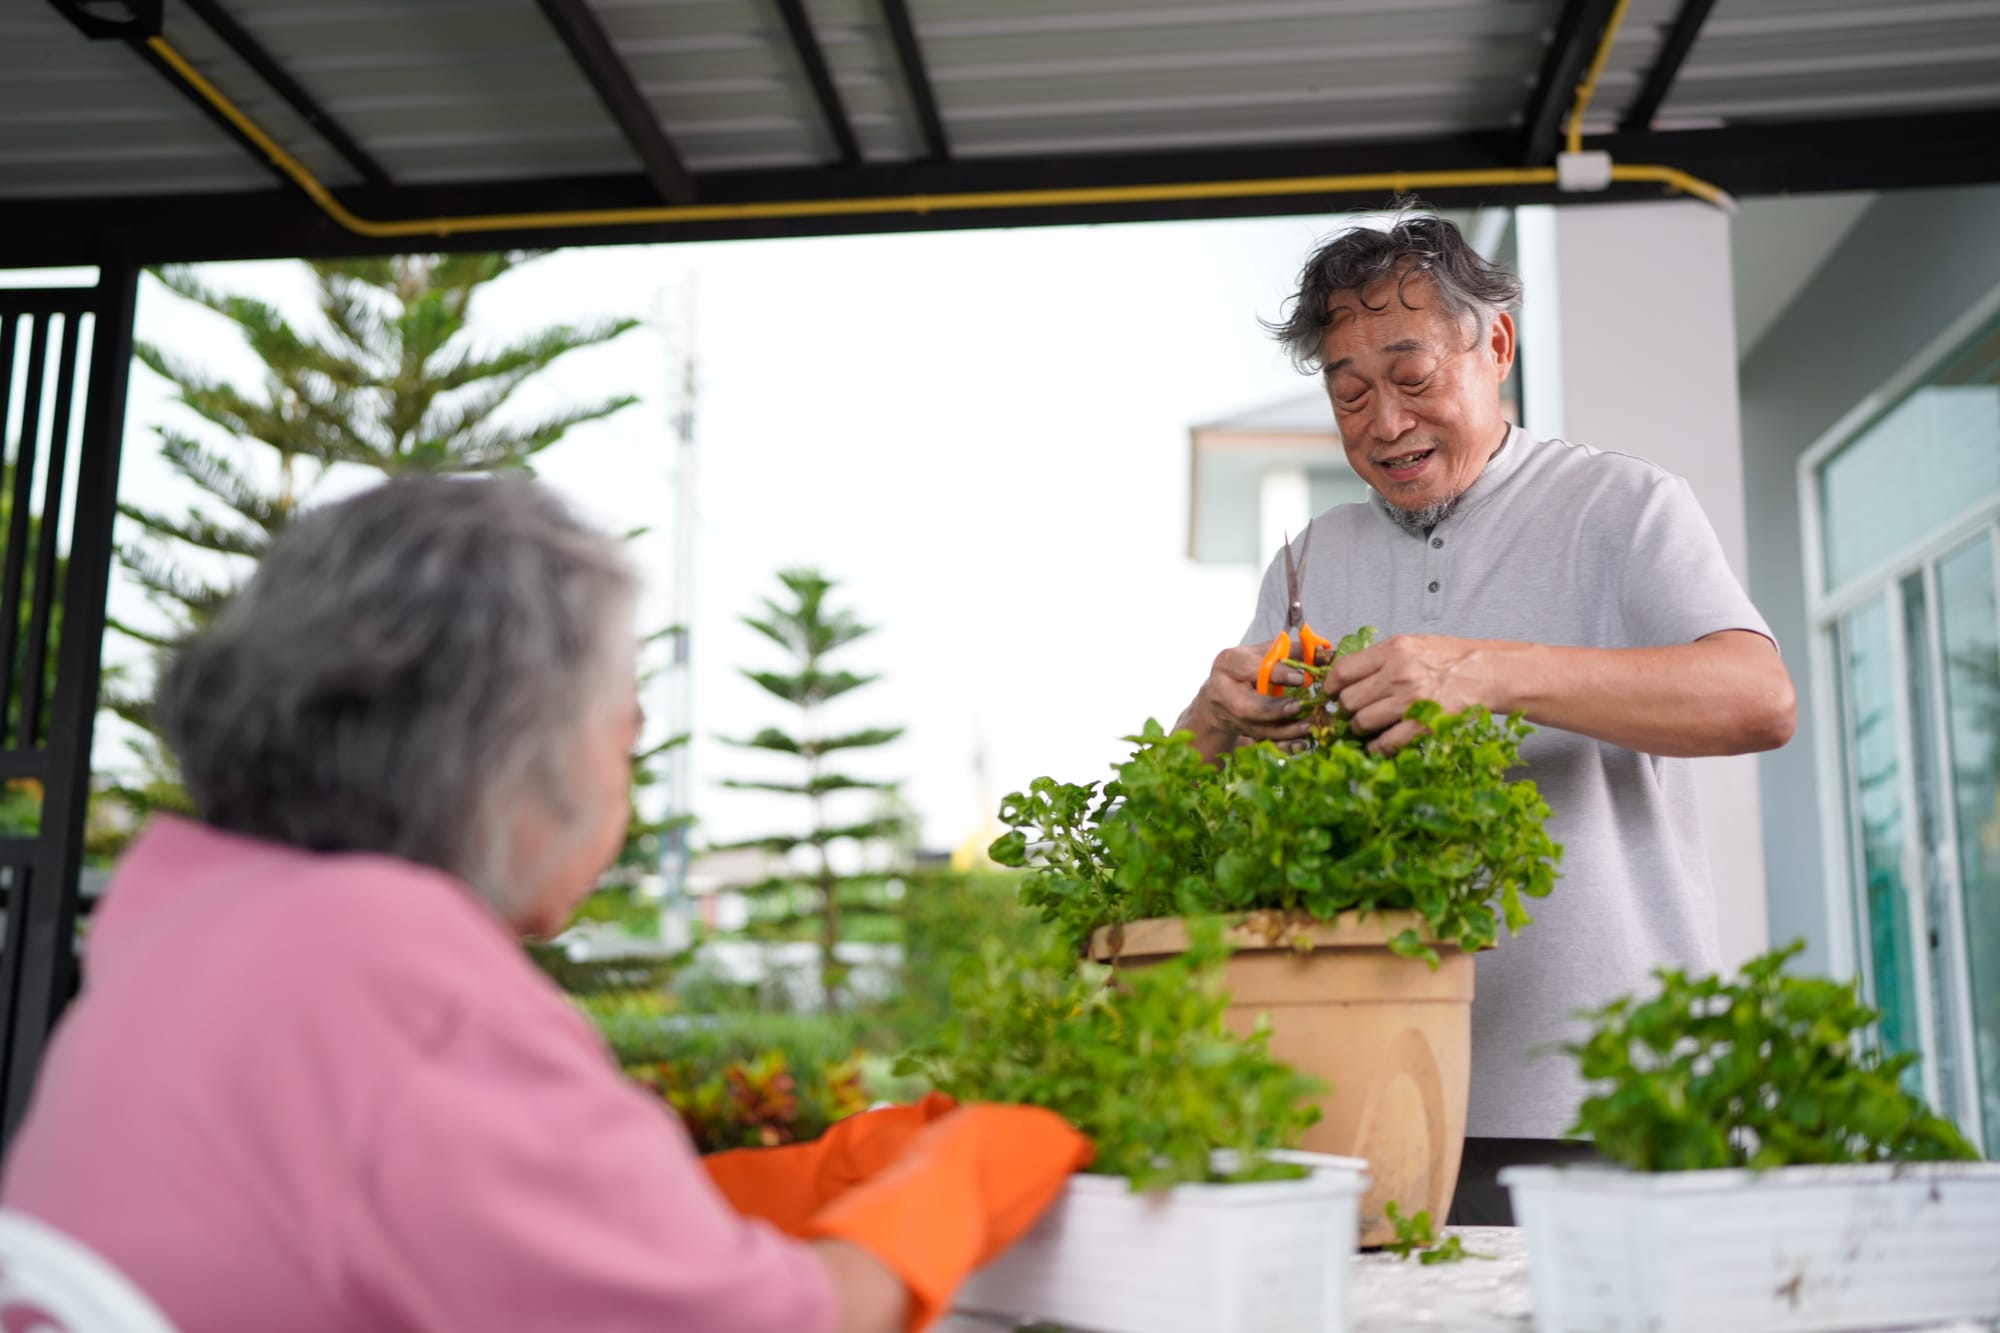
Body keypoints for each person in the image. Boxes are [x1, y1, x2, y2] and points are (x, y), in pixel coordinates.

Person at [0, 475, 1088, 1332]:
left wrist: (833, 1174)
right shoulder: (398, 975)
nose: (628, 756)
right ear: (507, 746)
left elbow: (514, 1225)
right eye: (619, 719)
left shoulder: (201, 917)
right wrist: (959, 1176)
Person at [1178, 212, 1796, 1223]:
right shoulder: (1314, 559)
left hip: (1606, 1098)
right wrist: (1211, 722)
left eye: (1411, 377)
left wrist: (1488, 672)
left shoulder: (1621, 505)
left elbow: (1755, 699)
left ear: (1494, 347)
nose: (1383, 423)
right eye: (1347, 392)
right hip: (1367, 1100)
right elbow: (1194, 821)